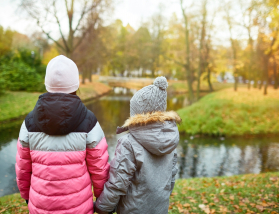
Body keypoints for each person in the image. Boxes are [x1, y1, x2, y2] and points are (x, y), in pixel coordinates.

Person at [15, 55, 110, 214]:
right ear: (75, 85)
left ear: (47, 84)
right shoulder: (89, 121)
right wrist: (101, 200)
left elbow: (23, 168)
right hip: (78, 208)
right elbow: (99, 168)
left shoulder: (29, 122)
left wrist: (26, 196)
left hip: (40, 206)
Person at [94, 76, 181, 214]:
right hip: (160, 208)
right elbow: (171, 176)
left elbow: (118, 182)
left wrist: (103, 207)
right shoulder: (170, 139)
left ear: (136, 114)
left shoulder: (128, 142)